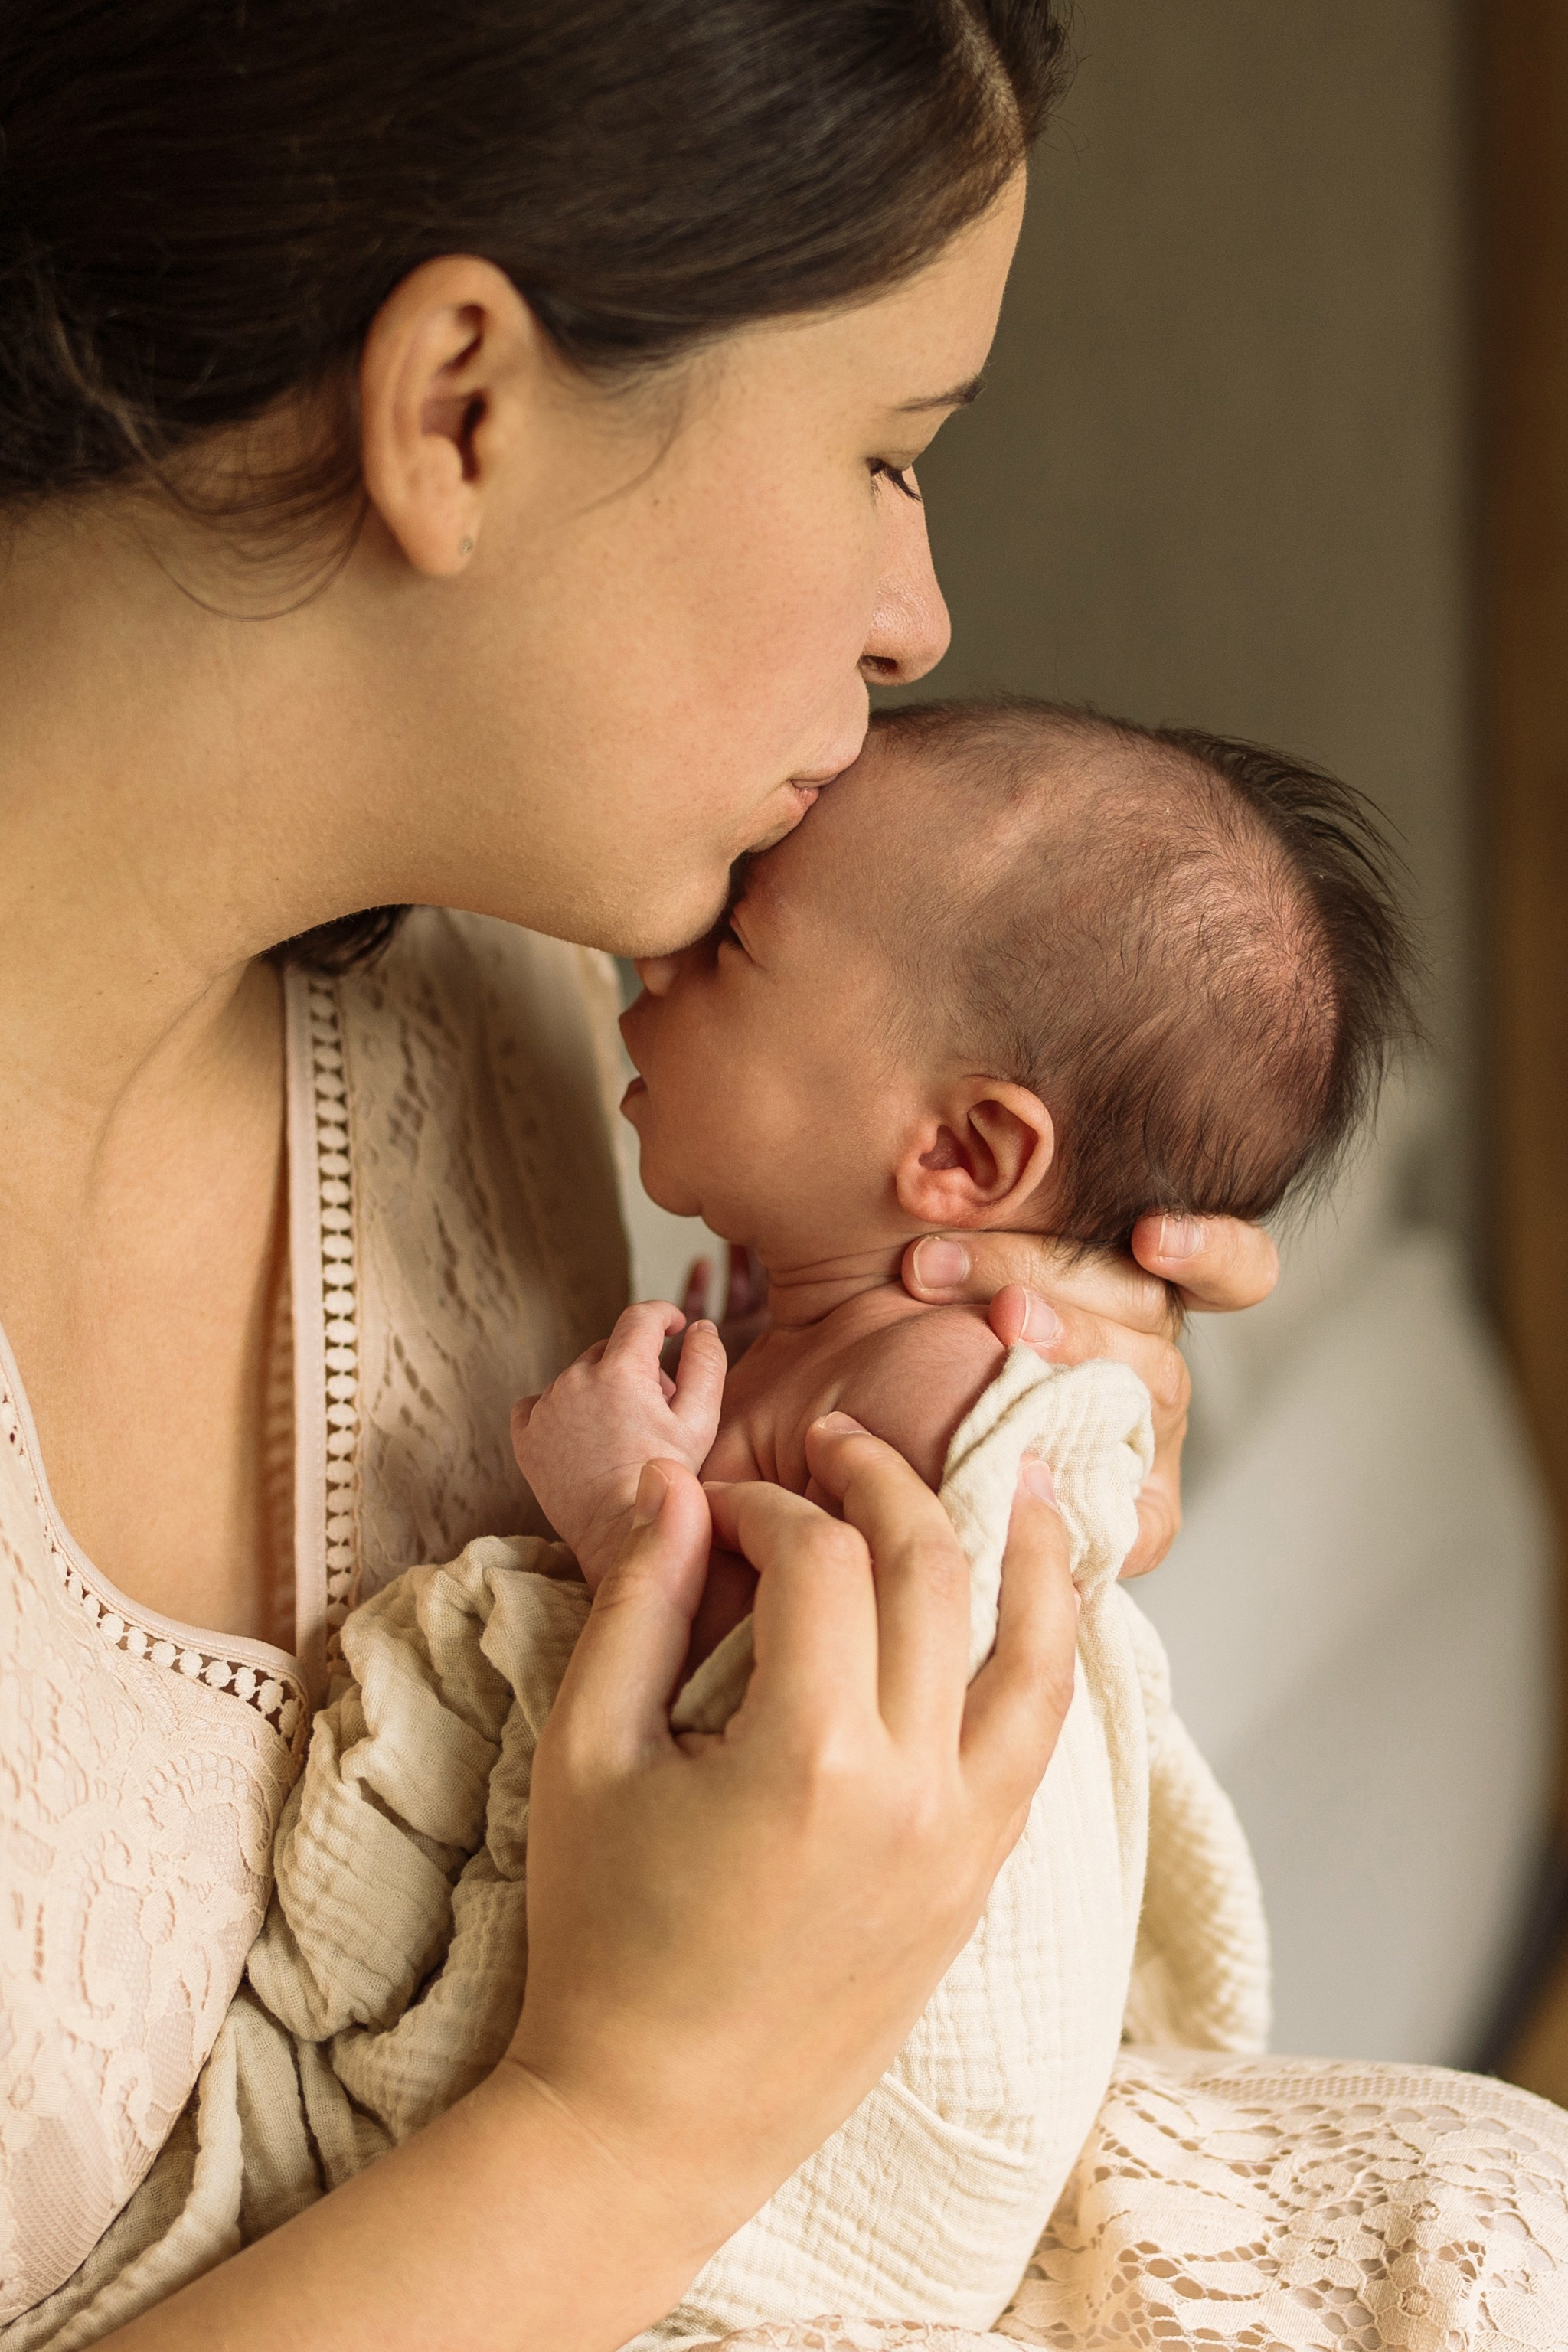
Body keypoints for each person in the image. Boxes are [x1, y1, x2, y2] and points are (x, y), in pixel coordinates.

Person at [0, 8, 1276, 2348]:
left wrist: (983, 1394)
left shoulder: (516, 1019)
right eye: (889, 453)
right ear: (460, 407)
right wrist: (640, 2115)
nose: (920, 615)